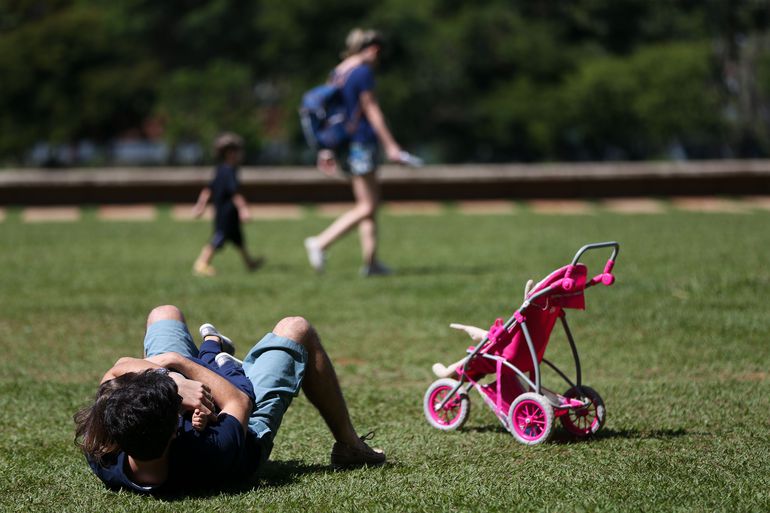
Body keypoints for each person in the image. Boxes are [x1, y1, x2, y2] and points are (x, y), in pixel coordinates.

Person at [74, 305, 385, 494]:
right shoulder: (211, 452)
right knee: (296, 328)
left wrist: (170, 381)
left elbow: (116, 369)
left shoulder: (103, 449)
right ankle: (350, 447)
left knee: (164, 314)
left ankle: (205, 352)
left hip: (162, 412)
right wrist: (179, 366)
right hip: (243, 424)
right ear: (174, 430)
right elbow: (237, 401)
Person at [304, 28, 407, 277]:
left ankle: (371, 263)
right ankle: (320, 242)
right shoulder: (362, 72)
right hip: (361, 142)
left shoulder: (338, 72)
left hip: (344, 144)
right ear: (371, 49)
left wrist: (325, 150)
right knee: (368, 206)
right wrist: (392, 145)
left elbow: (325, 113)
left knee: (369, 204)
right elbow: (371, 110)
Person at [192, 132, 263, 276]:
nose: (240, 155)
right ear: (230, 153)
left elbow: (207, 190)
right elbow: (235, 193)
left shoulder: (221, 169)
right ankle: (201, 263)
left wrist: (200, 206)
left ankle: (250, 263)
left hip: (226, 212)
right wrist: (244, 209)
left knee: (238, 239)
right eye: (237, 152)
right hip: (226, 212)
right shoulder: (229, 171)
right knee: (218, 238)